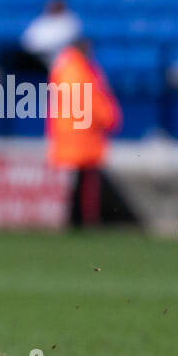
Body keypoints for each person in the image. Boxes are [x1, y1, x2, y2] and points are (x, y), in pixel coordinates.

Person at [46, 39, 135, 227]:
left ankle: (77, 221)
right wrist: (109, 118)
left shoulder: (66, 68)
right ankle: (84, 221)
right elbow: (90, 101)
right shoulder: (78, 70)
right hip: (82, 136)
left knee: (79, 183)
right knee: (86, 184)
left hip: (72, 135)